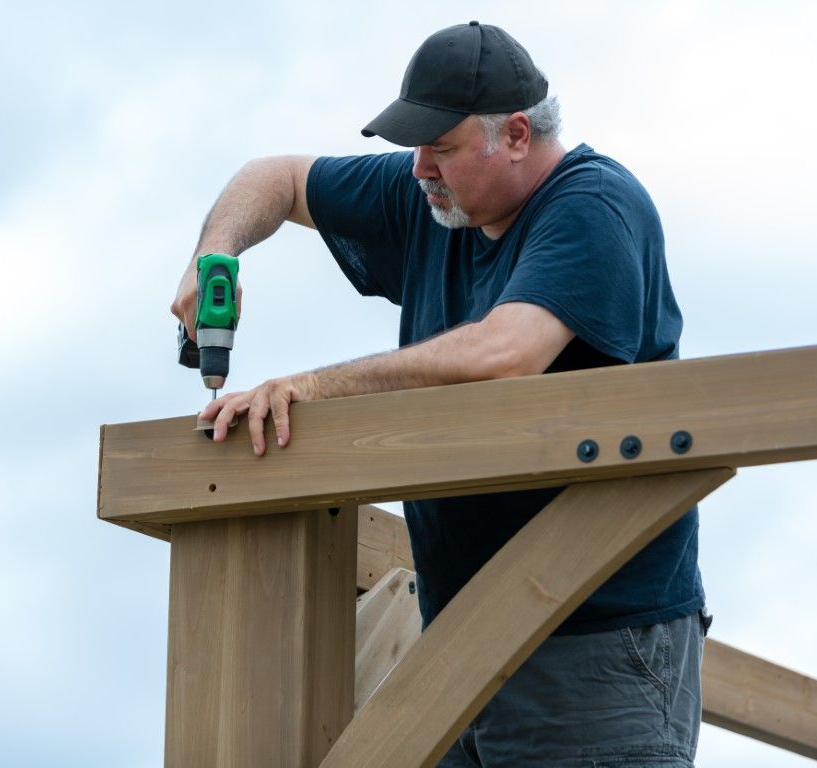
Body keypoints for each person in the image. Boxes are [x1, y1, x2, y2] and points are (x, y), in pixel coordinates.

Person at [171, 21, 706, 768]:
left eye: (442, 147)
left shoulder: (596, 206)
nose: (418, 166)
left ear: (516, 135)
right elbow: (279, 177)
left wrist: (313, 388)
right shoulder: (435, 196)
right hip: (454, 644)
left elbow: (506, 354)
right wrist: (215, 251)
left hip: (595, 645)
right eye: (415, 144)